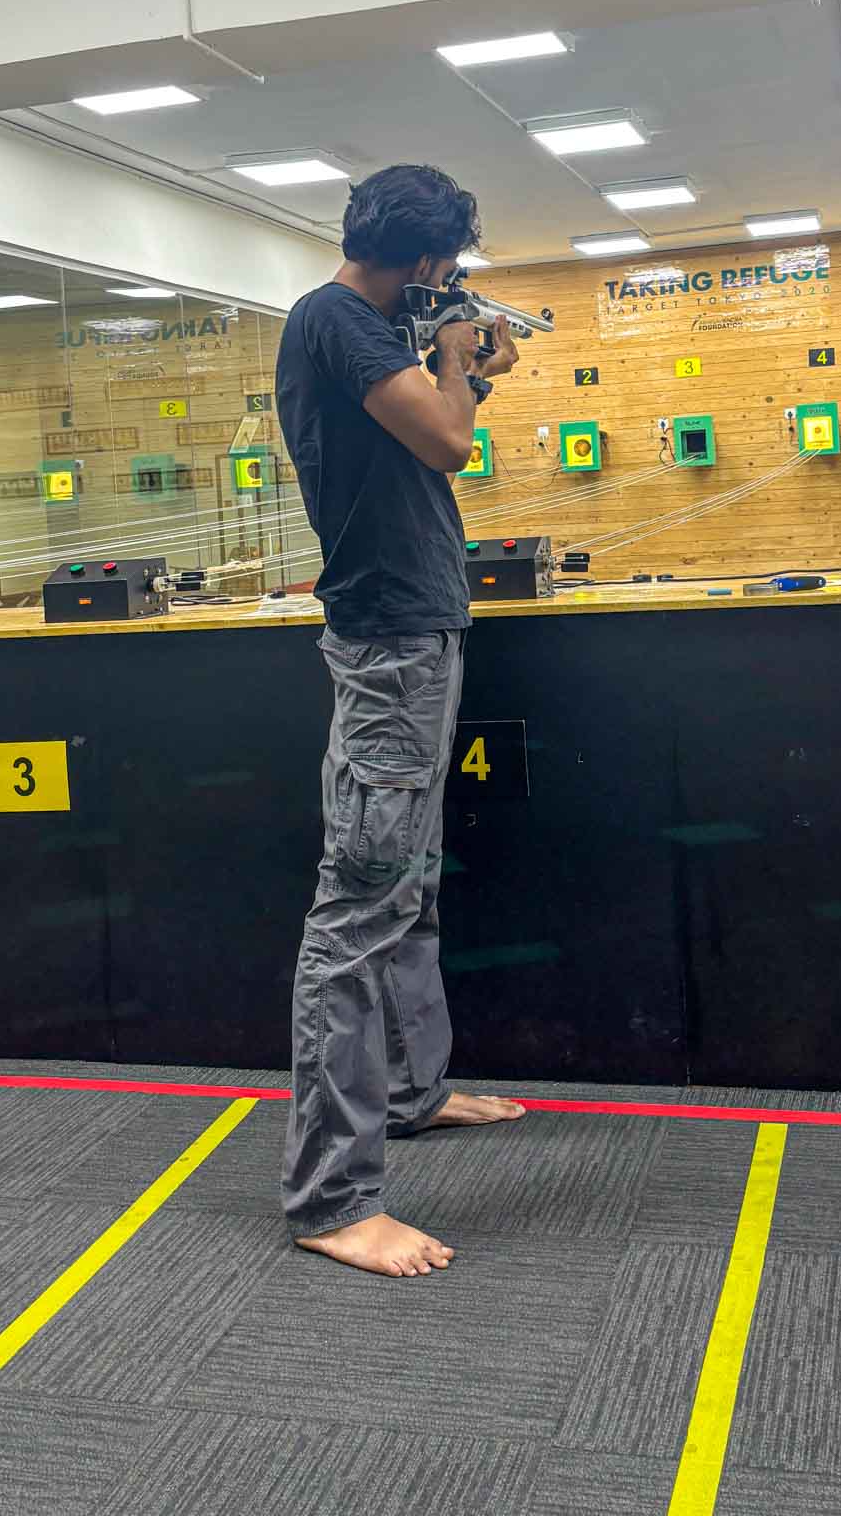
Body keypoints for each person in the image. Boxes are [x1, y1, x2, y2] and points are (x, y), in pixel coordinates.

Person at [275, 163, 527, 1279]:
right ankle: (333, 1196)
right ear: (424, 258)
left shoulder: (364, 330)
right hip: (387, 645)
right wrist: (459, 365)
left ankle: (415, 1094)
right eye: (447, 264)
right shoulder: (334, 317)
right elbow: (446, 439)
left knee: (406, 881)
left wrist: (466, 370)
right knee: (358, 908)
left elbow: (425, 427)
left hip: (415, 633)